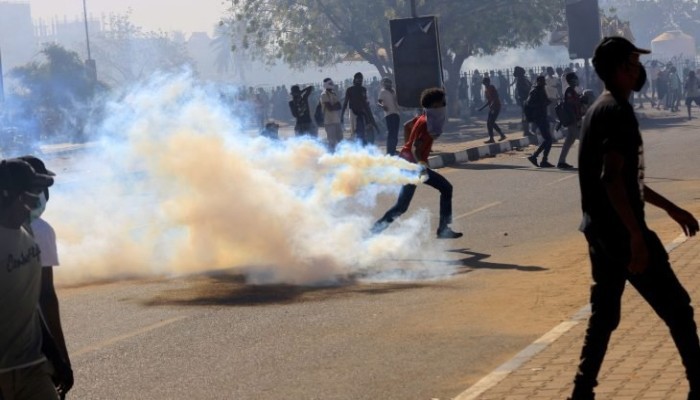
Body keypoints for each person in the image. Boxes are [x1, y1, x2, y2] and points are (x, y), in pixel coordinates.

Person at [567, 37, 700, 400]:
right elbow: (611, 179)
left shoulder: (600, 107)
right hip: (622, 235)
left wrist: (670, 207)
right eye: (632, 62)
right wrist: (637, 237)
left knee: (604, 316)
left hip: (599, 232)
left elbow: (628, 180)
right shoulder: (617, 113)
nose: (638, 68)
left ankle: (581, 392)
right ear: (620, 69)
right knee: (678, 309)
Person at [0, 158, 61, 400]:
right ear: (7, 195)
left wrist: (56, 357)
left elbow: (32, 303)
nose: (37, 200)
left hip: (33, 367)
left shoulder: (30, 231)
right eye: (30, 192)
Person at [372, 88, 462, 239]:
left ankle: (374, 231)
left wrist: (408, 145)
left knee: (401, 207)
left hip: (408, 163)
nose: (444, 106)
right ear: (434, 105)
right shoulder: (427, 123)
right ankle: (443, 229)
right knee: (446, 188)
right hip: (413, 166)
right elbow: (415, 148)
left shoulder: (424, 117)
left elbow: (407, 125)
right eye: (442, 103)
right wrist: (421, 165)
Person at [557, 72, 584, 169]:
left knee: (568, 142)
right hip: (572, 121)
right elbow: (570, 106)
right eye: (575, 79)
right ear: (572, 80)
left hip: (574, 120)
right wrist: (576, 120)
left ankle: (561, 161)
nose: (577, 80)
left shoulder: (572, 91)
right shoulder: (569, 91)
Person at [526, 76, 554, 168]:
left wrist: (549, 102)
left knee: (549, 140)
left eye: (543, 82)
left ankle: (543, 160)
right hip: (539, 117)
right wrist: (541, 104)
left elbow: (545, 101)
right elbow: (529, 103)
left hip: (543, 116)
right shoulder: (534, 91)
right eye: (541, 82)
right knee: (548, 139)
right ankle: (535, 156)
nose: (543, 84)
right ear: (538, 81)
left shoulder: (542, 90)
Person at [341, 72, 375, 146]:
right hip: (353, 113)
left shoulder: (363, 89)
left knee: (365, 132)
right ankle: (358, 148)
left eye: (361, 79)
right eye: (358, 78)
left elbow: (365, 103)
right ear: (355, 79)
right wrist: (342, 116)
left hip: (363, 113)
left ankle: (363, 147)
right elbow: (345, 103)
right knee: (356, 133)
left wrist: (369, 115)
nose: (360, 80)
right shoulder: (350, 90)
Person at [478, 77, 507, 143]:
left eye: (485, 83)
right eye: (484, 83)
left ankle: (500, 135)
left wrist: (492, 104)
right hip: (492, 108)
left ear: (488, 82)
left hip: (496, 106)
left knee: (491, 122)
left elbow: (496, 96)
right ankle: (493, 138)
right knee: (489, 123)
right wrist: (482, 108)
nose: (485, 84)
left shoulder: (492, 87)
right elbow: (489, 101)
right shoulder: (486, 90)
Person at [377, 78, 401, 155]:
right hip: (389, 114)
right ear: (384, 84)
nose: (388, 84)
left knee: (395, 132)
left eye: (389, 83)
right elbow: (379, 102)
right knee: (391, 132)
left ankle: (393, 149)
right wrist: (382, 106)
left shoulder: (393, 91)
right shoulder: (382, 92)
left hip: (396, 113)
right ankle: (389, 151)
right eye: (386, 83)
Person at [320, 78, 343, 151]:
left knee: (340, 141)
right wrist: (334, 105)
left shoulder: (333, 94)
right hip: (329, 122)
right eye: (330, 83)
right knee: (332, 142)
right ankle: (331, 157)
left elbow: (339, 106)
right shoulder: (324, 95)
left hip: (337, 121)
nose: (332, 85)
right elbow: (330, 108)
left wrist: (334, 106)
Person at [513, 66, 533, 137]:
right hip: (524, 99)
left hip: (526, 99)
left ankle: (527, 130)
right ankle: (526, 131)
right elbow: (524, 89)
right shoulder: (520, 80)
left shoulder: (523, 79)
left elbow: (530, 85)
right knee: (525, 115)